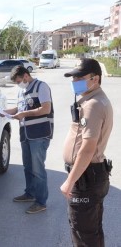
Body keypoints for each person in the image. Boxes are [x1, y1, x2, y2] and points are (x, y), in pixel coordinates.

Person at [60, 58, 113, 246]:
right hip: (90, 175)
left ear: (95, 78)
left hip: (86, 178)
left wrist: (70, 181)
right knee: (90, 231)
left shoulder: (93, 105)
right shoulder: (91, 100)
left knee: (83, 234)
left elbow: (88, 148)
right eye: (73, 78)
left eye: (80, 77)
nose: (75, 82)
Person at [1, 65, 54, 214]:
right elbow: (19, 109)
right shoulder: (21, 90)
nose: (18, 84)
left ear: (26, 75)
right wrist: (5, 112)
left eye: (19, 81)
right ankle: (30, 194)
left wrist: (24, 115)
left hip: (39, 134)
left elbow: (45, 109)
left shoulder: (41, 86)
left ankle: (41, 201)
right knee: (28, 167)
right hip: (26, 134)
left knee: (38, 170)